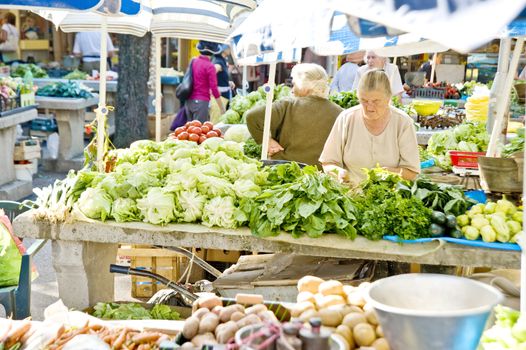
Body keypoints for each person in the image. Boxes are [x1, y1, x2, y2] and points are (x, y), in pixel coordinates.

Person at [320, 69, 420, 186]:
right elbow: (328, 162)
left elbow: (412, 172)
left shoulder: (403, 123)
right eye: (364, 100)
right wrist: (338, 172)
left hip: (389, 195)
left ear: (388, 99)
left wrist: (387, 173)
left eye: (376, 101)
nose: (369, 107)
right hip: (350, 194)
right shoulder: (346, 118)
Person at [246, 63, 343, 167]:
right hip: (321, 176)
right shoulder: (340, 113)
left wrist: (267, 141)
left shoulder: (287, 105)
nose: (292, 89)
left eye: (294, 84)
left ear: (303, 86)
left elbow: (252, 116)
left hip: (285, 171)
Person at [186, 41, 225, 123]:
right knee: (199, 131)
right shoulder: (210, 66)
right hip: (201, 102)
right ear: (213, 52)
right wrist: (221, 108)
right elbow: (214, 88)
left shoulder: (193, 61)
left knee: (190, 131)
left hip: (189, 101)